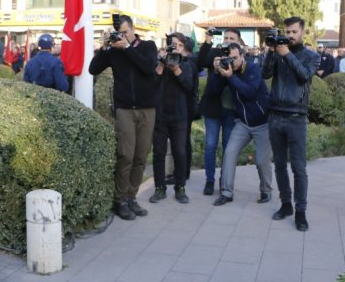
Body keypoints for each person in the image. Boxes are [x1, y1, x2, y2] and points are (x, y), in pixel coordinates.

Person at [89, 15, 157, 221]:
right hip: (125, 109)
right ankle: (120, 200)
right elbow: (93, 69)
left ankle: (131, 196)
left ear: (133, 30)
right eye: (120, 33)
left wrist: (128, 48)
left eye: (126, 32)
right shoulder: (113, 51)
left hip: (147, 108)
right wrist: (104, 47)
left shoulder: (148, 46)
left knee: (141, 156)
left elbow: (148, 68)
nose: (123, 37)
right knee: (125, 155)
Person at [262, 17, 320, 231]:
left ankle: (301, 212)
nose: (290, 35)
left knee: (299, 168)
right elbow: (264, 73)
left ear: (302, 32)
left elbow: (304, 76)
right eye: (287, 31)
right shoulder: (277, 52)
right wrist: (270, 51)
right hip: (275, 116)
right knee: (279, 165)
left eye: (294, 31)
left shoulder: (312, 56)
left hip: (296, 118)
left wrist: (287, 55)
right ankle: (286, 205)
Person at [207, 43, 273, 206]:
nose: (233, 61)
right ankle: (226, 193)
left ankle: (266, 191)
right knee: (229, 153)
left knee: (261, 161)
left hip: (263, 123)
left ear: (242, 56)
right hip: (243, 123)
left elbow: (249, 91)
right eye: (230, 58)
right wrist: (217, 72)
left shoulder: (253, 69)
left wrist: (230, 77)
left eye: (235, 58)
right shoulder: (228, 70)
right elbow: (213, 90)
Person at [149, 33, 194, 204]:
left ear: (184, 49)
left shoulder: (187, 65)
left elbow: (189, 86)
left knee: (180, 153)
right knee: (159, 153)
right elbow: (151, 84)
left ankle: (180, 188)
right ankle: (159, 188)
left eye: (179, 45)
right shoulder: (159, 63)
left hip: (179, 117)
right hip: (160, 116)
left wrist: (176, 70)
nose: (176, 48)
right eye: (173, 45)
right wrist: (161, 65)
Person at [196, 28, 241, 196]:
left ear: (238, 41)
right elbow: (200, 61)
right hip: (213, 107)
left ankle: (225, 180)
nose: (228, 40)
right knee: (210, 145)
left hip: (231, 109)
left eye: (232, 38)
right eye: (226, 37)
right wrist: (208, 42)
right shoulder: (216, 52)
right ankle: (209, 180)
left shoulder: (239, 55)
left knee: (228, 147)